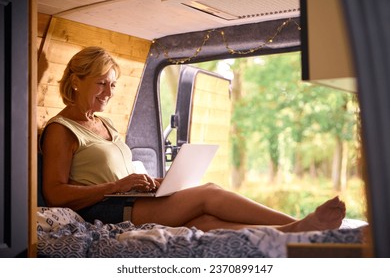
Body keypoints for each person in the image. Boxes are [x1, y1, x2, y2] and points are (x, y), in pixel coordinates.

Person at [40, 46, 346, 232]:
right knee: (209, 193)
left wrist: (149, 181)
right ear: (76, 82)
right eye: (101, 83)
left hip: (130, 200)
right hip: (105, 212)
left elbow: (115, 176)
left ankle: (290, 232)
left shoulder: (104, 123)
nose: (108, 93)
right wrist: (117, 187)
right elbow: (54, 194)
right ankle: (299, 223)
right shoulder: (61, 129)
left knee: (206, 223)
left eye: (114, 85)